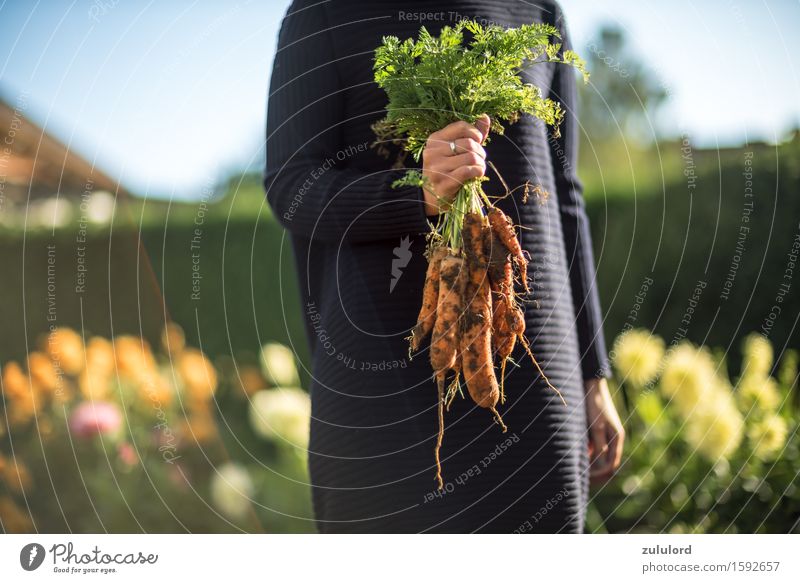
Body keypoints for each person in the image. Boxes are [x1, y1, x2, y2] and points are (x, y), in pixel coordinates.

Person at [264, 0, 624, 533]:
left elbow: (564, 194)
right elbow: (290, 185)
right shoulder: (323, 11)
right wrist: (415, 194)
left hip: (533, 366)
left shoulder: (536, 8)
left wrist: (593, 373)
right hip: (378, 370)